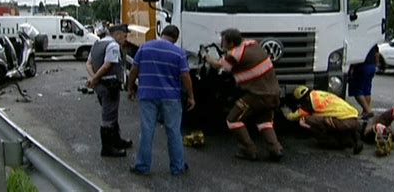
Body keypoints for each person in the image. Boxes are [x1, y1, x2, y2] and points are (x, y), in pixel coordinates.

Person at [203, 28, 283, 161]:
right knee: (264, 121)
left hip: (258, 95)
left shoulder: (235, 55)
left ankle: (248, 149)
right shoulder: (252, 44)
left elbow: (218, 65)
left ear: (231, 43)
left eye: (223, 42)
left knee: (233, 119)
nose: (222, 44)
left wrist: (206, 57)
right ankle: (275, 149)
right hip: (274, 93)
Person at [128, 25, 195, 176]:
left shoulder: (145, 48)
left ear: (162, 33)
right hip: (170, 97)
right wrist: (191, 96)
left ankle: (142, 166)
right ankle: (177, 167)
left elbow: (134, 70)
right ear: (176, 38)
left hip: (147, 95)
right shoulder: (179, 53)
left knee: (147, 131)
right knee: (173, 132)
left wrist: (130, 88)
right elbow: (185, 76)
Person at [86, 24, 132, 157]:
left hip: (100, 85)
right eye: (124, 35)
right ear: (117, 34)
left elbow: (88, 63)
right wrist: (95, 78)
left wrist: (93, 78)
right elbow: (107, 65)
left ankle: (116, 140)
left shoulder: (97, 44)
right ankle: (107, 148)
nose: (125, 38)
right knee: (108, 117)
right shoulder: (113, 46)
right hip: (109, 84)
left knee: (111, 114)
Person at [282, 85, 363, 154]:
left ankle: (336, 139)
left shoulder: (308, 104)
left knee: (307, 119)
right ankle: (351, 137)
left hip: (344, 121)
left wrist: (285, 111)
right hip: (353, 115)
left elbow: (292, 117)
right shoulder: (319, 94)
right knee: (325, 117)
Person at [348, 44, 379, 119]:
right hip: (371, 66)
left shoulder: (360, 41)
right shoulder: (373, 42)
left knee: (357, 90)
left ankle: (368, 110)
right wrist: (376, 65)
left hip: (362, 66)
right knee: (367, 90)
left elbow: (356, 55)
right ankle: (365, 112)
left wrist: (352, 68)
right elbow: (377, 54)